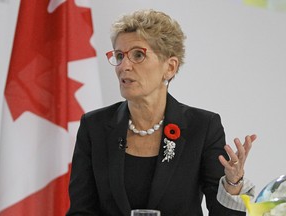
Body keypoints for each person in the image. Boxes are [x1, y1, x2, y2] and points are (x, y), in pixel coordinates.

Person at [66, 9, 256, 216]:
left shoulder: (202, 127)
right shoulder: (94, 126)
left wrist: (232, 184)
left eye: (138, 55)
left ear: (170, 67)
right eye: (119, 56)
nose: (124, 66)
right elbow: (81, 211)